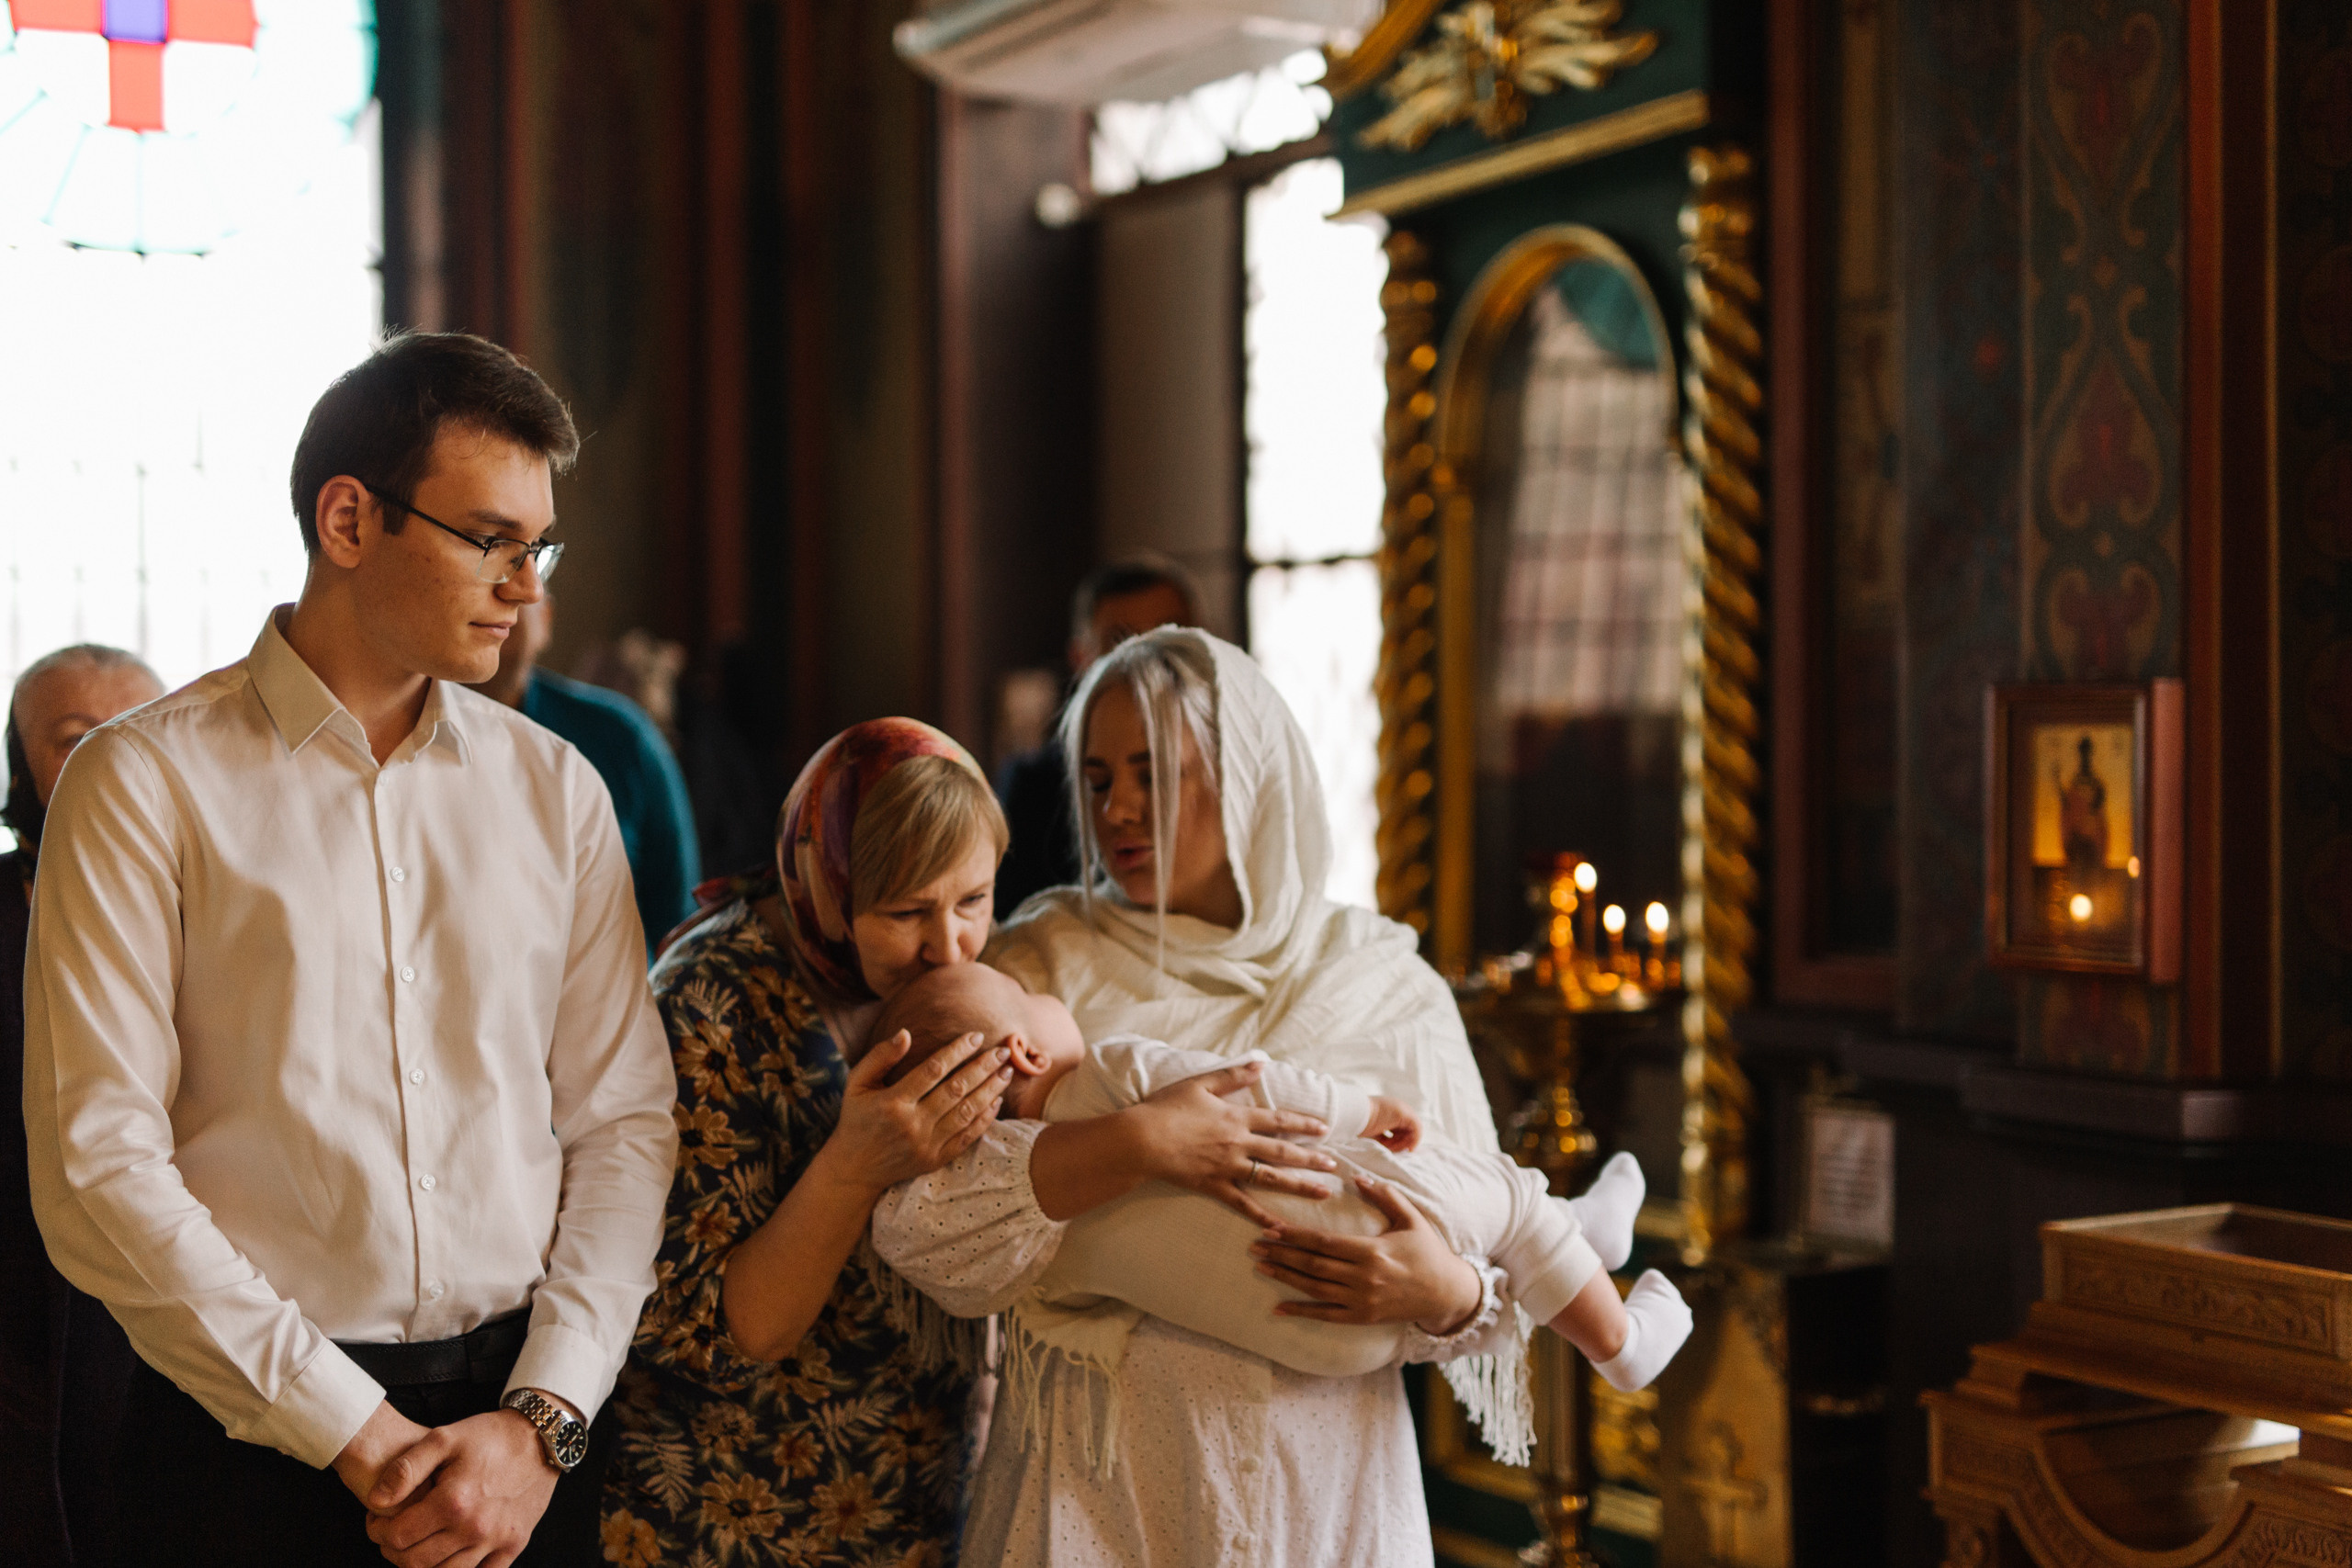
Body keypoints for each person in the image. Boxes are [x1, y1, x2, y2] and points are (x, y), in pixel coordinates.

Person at [22, 331, 681, 1568]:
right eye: (490, 537)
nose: (527, 586)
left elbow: (625, 1120)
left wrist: (542, 1421)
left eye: (538, 546)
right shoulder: (140, 783)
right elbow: (99, 1163)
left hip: (525, 1446)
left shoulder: (559, 791)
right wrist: (358, 1433)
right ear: (347, 519)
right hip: (243, 1450)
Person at [871, 626, 1537, 1568]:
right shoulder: (1036, 968)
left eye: (1158, 773)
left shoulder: (1381, 984)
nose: (1121, 810)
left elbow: (1502, 1255)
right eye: (1098, 780)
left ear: (1254, 773)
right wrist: (1133, 1145)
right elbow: (924, 1227)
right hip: (1095, 1491)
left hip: (1327, 1501)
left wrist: (1444, 1292)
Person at [598, 717, 1334, 1566]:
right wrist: (854, 1163)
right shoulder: (704, 1003)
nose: (947, 945)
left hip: (921, 1493)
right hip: (737, 1514)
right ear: (827, 882)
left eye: (972, 901)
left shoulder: (962, 980)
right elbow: (731, 1330)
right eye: (906, 910)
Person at [871, 962, 1688, 1390]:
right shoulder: (1112, 1073)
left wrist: (1453, 1295)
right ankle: (1620, 1338)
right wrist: (1362, 1108)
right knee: (1512, 1201)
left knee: (1506, 1229)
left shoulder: (1040, 1208)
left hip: (1316, 1338)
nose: (1046, 991)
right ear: (1026, 1051)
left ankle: (1582, 1232)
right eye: (1024, 992)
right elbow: (1257, 1084)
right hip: (1359, 1234)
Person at [0, 644, 163, 1567]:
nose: (107, 757)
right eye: (72, 740)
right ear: (19, 765)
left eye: (135, 732)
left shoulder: (233, 908)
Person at [471, 592, 702, 953]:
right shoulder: (397, 737)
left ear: (546, 622)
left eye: (527, 558)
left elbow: (675, 920)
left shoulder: (622, 737)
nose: (511, 589)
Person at [991, 554, 1202, 913]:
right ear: (1081, 657)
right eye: (1122, 640)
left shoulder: (1230, 761)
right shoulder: (1033, 787)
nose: (1149, 658)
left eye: (1168, 635)